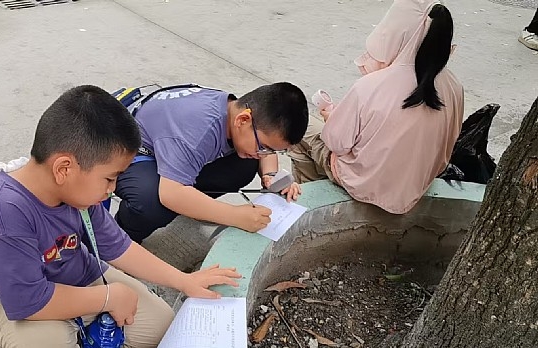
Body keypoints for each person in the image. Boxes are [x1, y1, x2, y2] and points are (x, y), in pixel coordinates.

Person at [0, 85, 241, 348]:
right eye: (110, 178)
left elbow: (118, 245)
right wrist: (108, 298)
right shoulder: (5, 213)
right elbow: (28, 302)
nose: (113, 189)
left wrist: (184, 281)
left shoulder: (75, 192)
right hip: (10, 302)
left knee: (159, 328)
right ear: (64, 168)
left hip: (77, 275)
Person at [288, 0, 464, 215]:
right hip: (417, 184)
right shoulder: (454, 87)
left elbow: (337, 144)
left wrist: (331, 117)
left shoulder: (371, 85)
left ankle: (311, 204)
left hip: (364, 184)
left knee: (298, 129)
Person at [113, 82, 309, 243]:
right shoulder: (197, 133)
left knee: (246, 163)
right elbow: (170, 194)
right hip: (130, 148)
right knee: (151, 204)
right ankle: (119, 239)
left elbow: (264, 151)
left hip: (169, 146)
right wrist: (235, 216)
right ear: (243, 120)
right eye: (264, 147)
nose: (264, 154)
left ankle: (192, 205)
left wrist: (271, 176)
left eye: (272, 150)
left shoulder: (234, 109)